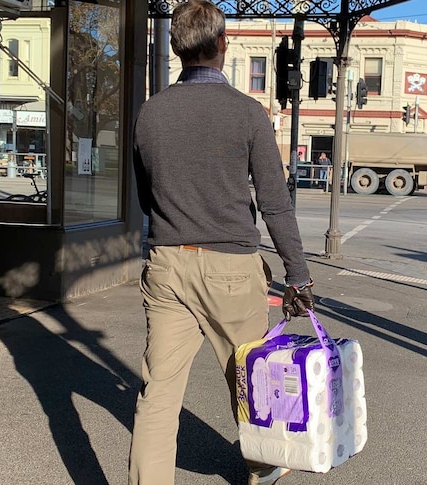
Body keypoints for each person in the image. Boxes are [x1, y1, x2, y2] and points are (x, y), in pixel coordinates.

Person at [129, 2, 314, 484]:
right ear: (222, 44)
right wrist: (298, 274)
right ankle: (263, 467)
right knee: (250, 383)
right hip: (232, 266)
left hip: (168, 265)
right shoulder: (247, 113)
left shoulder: (150, 114)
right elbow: (275, 204)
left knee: (159, 394)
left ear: (175, 48)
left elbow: (145, 195)